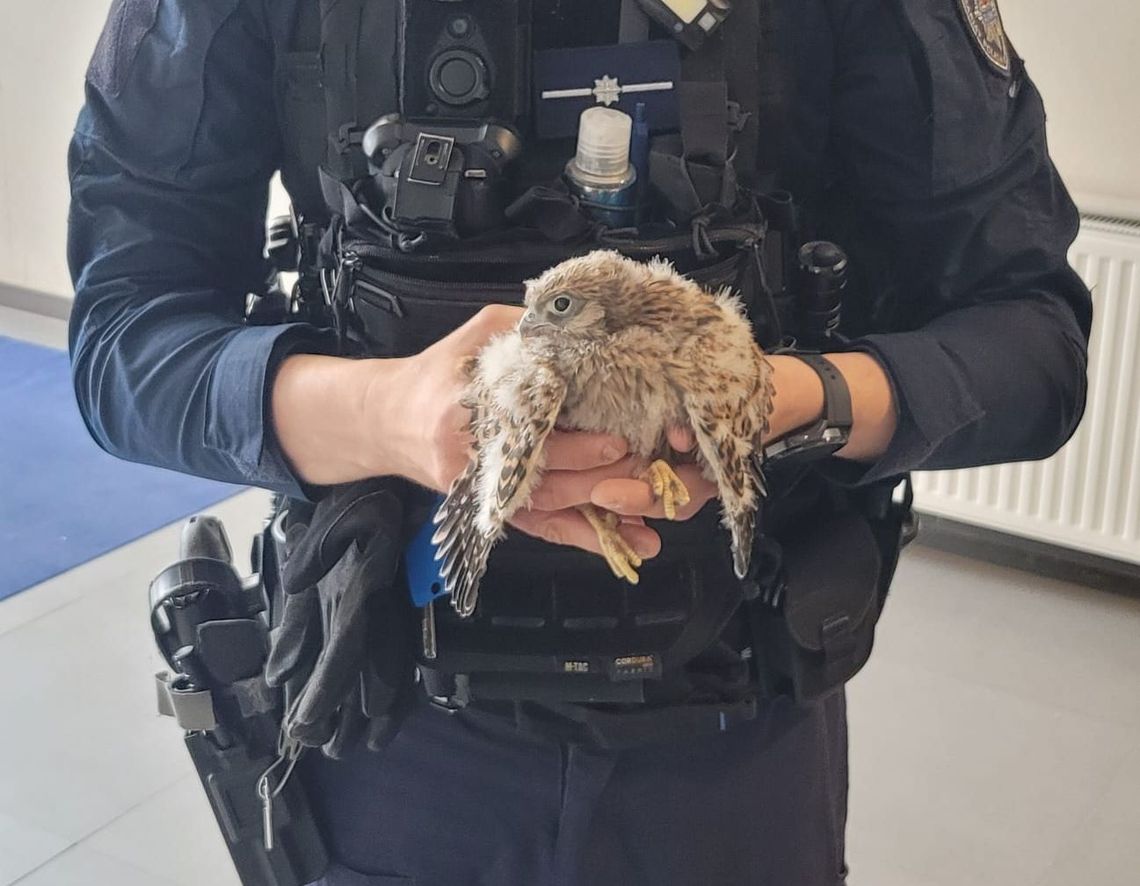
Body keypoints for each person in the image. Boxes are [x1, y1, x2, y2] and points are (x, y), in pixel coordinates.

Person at [68, 1, 1091, 883]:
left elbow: (1032, 342)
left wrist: (787, 398)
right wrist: (385, 412)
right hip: (391, 734)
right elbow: (125, 340)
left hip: (734, 749)